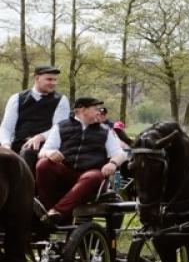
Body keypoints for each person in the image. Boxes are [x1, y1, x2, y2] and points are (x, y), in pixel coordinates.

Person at [35, 96, 126, 225]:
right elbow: (43, 152)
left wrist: (113, 163)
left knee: (93, 175)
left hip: (90, 178)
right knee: (43, 164)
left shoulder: (105, 131)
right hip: (66, 173)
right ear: (82, 110)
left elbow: (120, 153)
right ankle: (46, 211)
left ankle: (56, 212)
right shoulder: (61, 127)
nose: (99, 113)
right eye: (95, 109)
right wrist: (50, 153)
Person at [2, 64, 69, 171]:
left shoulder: (61, 100)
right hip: (18, 142)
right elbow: (6, 127)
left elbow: (59, 128)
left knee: (28, 152)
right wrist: (6, 145)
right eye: (49, 79)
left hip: (43, 146)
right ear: (37, 78)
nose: (53, 83)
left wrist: (40, 137)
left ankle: (25, 187)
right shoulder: (16, 98)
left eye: (55, 80)